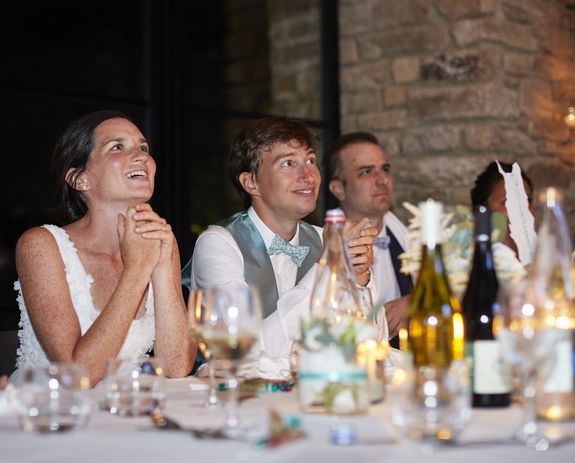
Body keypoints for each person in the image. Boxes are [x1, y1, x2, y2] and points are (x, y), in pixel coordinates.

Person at [12, 111, 196, 387]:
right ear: (79, 179)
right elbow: (77, 377)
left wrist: (160, 263)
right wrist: (136, 270)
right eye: (117, 147)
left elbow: (176, 367)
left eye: (143, 148)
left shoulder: (158, 239)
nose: (141, 156)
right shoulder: (41, 245)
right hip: (49, 414)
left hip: (126, 407)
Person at [191, 117, 381, 378]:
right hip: (242, 401)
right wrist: (330, 265)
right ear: (251, 183)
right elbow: (239, 353)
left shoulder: (323, 237)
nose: (308, 176)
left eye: (311, 161)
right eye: (289, 163)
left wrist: (360, 278)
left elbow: (371, 343)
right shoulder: (218, 243)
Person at [328, 132, 412, 345]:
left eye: (385, 169)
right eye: (366, 172)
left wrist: (416, 303)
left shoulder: (407, 237)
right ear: (338, 189)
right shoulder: (322, 247)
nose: (382, 180)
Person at [470, 161, 535, 262]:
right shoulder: (473, 260)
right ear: (482, 210)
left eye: (528, 200)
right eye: (508, 201)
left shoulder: (544, 250)